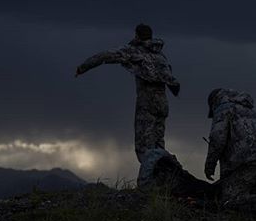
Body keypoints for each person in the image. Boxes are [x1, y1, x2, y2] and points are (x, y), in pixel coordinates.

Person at [75, 24, 180, 162]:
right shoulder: (160, 55)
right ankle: (165, 179)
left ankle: (150, 180)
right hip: (162, 103)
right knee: (159, 144)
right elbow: (173, 82)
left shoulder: (134, 51)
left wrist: (83, 67)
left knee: (145, 148)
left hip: (147, 102)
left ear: (137, 35)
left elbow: (105, 56)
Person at [204, 88, 256, 204]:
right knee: (254, 196)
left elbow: (217, 139)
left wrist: (210, 166)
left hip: (248, 163)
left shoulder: (223, 109)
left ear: (214, 102)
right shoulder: (254, 112)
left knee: (228, 200)